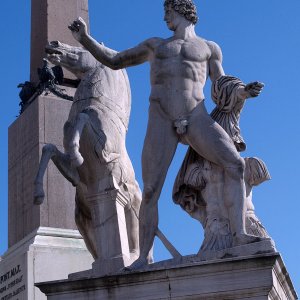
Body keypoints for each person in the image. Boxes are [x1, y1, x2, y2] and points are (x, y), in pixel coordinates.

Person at [69, 0, 265, 269]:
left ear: (183, 12)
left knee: (235, 164)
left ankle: (240, 233)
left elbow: (220, 85)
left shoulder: (209, 48)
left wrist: (242, 92)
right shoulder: (155, 46)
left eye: (167, 13)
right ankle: (144, 256)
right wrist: (85, 39)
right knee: (150, 190)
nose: (165, 19)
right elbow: (114, 60)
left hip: (196, 116)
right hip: (161, 117)